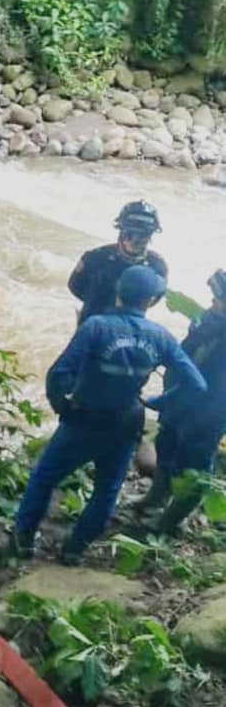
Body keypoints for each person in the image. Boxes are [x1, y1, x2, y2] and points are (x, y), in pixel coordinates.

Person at [12, 265, 207, 565]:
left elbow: (59, 374)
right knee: (107, 490)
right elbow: (196, 385)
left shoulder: (96, 327)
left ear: (118, 292)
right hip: (126, 423)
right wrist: (158, 402)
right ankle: (75, 548)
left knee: (44, 478)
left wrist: (63, 406)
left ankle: (23, 540)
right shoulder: (161, 337)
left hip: (83, 420)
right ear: (149, 301)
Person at [136, 269, 226, 534]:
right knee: (166, 445)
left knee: (194, 467)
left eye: (218, 300)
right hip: (180, 400)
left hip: (209, 412)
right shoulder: (208, 319)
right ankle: (156, 497)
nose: (212, 303)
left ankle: (171, 521)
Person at [69, 201, 167, 324]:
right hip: (91, 323)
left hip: (128, 328)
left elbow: (155, 298)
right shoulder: (96, 258)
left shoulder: (157, 266)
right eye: (129, 234)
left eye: (143, 235)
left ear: (150, 236)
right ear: (120, 231)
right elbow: (75, 287)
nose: (134, 240)